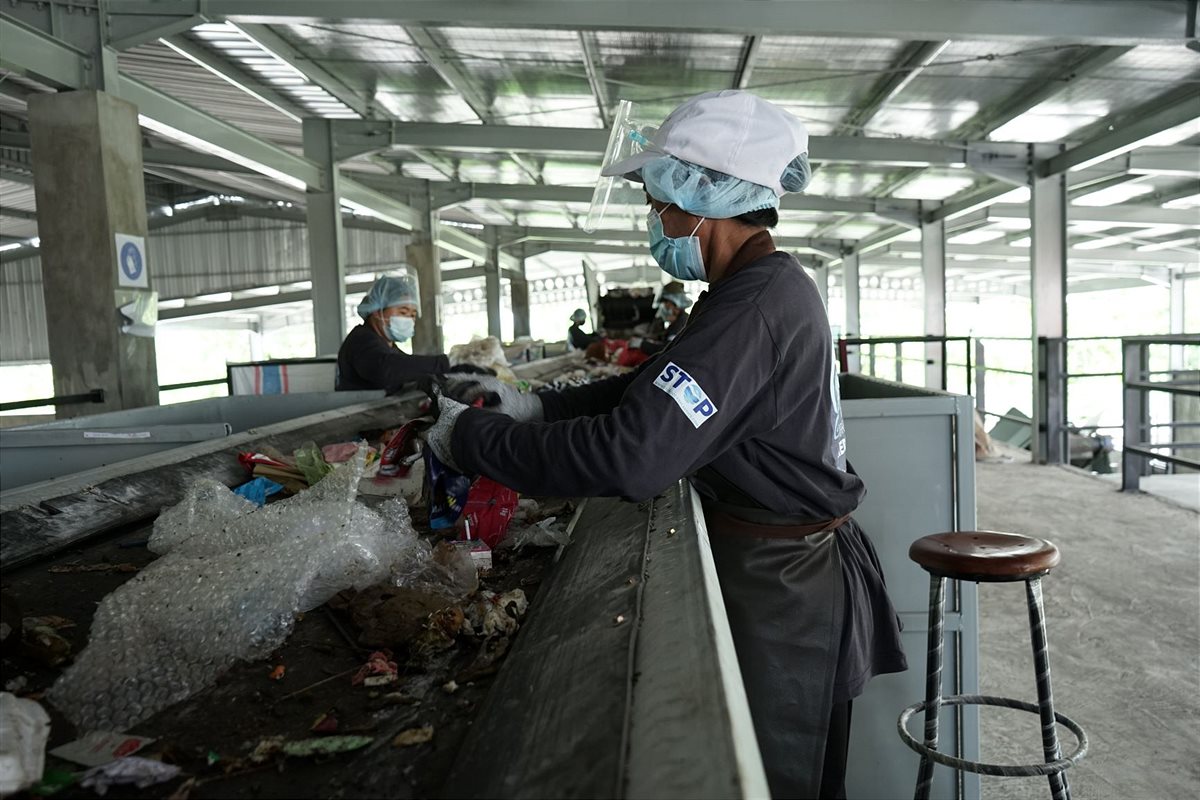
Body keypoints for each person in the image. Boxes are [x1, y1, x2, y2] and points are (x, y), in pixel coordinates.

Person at [426, 90, 905, 798]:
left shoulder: (757, 304)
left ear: (704, 194)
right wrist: (529, 407)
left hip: (785, 594)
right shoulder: (747, 289)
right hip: (779, 567)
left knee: (773, 782)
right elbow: (648, 390)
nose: (654, 218)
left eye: (659, 202)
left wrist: (474, 440)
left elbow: (633, 453)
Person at [337, 274, 488, 394]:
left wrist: (457, 369)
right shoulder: (361, 340)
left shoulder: (386, 345)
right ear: (377, 312)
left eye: (413, 315)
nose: (409, 319)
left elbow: (410, 369)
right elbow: (386, 370)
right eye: (403, 312)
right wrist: (446, 362)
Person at [639, 281, 691, 355]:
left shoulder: (682, 323)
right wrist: (654, 338)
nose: (664, 306)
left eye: (666, 302)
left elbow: (667, 350)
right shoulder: (676, 322)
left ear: (675, 303)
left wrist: (642, 344)